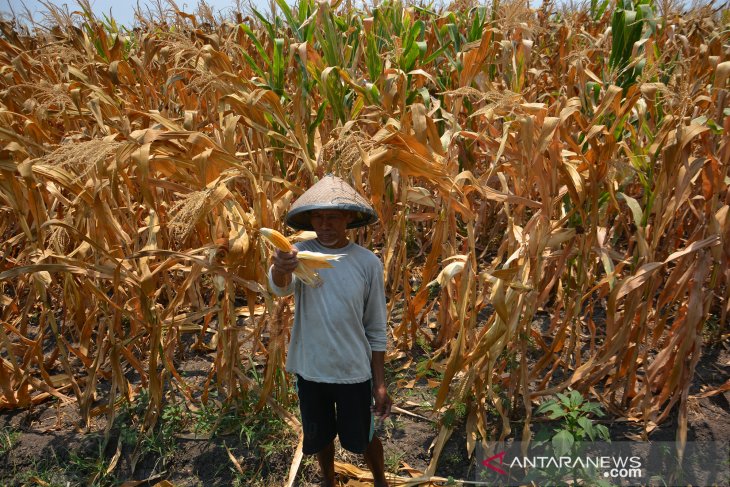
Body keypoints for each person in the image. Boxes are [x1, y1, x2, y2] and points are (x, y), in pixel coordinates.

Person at [268, 174, 392, 487]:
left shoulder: (367, 263)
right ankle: (328, 481)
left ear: (348, 218)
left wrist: (379, 384)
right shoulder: (297, 255)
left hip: (353, 371)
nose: (325, 224)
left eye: (333, 217)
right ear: (310, 218)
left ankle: (380, 481)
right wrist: (279, 269)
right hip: (312, 370)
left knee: (363, 438)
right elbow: (280, 289)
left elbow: (376, 327)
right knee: (319, 436)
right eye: (319, 217)